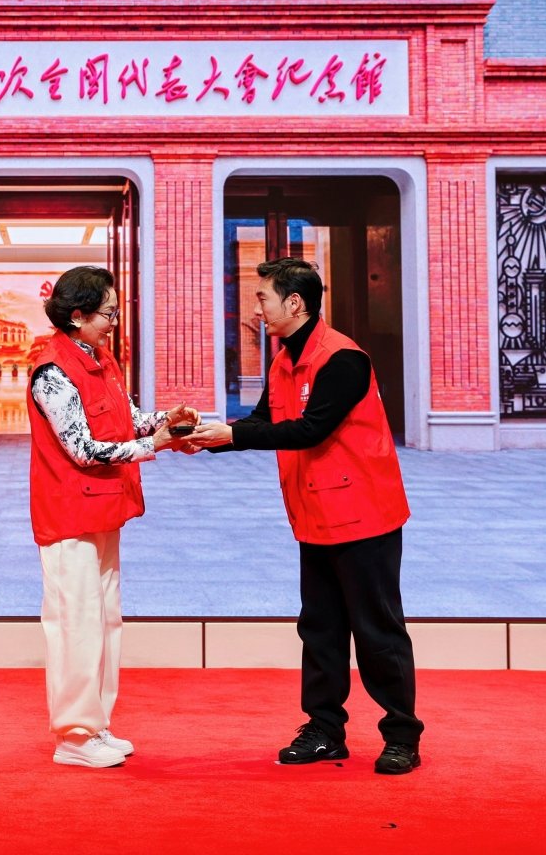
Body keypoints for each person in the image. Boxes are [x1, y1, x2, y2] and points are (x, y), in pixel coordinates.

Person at [185, 257, 424, 775]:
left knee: (377, 631)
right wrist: (208, 439)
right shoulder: (283, 360)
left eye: (262, 298)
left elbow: (310, 430)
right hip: (315, 513)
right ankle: (324, 731)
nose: (256, 308)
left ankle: (402, 735)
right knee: (319, 628)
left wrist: (233, 435)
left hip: (363, 515)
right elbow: (264, 421)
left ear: (295, 303)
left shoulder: (342, 358)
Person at [28, 264, 198, 768]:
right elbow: (82, 449)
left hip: (103, 508)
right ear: (77, 316)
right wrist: (154, 444)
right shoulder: (51, 371)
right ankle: (73, 736)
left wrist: (167, 421)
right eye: (108, 313)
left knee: (104, 620)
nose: (114, 322)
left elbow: (127, 420)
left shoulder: (101, 359)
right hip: (68, 513)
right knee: (76, 624)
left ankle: (96, 724)